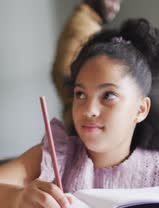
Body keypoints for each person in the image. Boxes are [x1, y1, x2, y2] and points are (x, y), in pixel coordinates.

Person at [0, 18, 159, 208]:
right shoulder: (57, 155)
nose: (89, 109)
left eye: (108, 96)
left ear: (141, 109)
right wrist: (16, 200)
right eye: (80, 94)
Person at [51, 0, 121, 133]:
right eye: (112, 0)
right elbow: (62, 72)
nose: (115, 8)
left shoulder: (88, 24)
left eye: (119, 2)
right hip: (83, 126)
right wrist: (86, 104)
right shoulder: (81, 26)